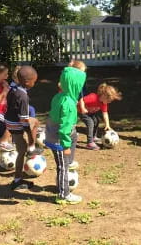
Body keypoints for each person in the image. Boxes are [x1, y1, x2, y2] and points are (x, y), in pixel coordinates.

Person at [44, 66, 87, 204]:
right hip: (59, 141)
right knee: (62, 167)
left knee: (64, 163)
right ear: (74, 86)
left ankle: (64, 180)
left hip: (53, 135)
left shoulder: (59, 96)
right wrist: (65, 146)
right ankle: (63, 195)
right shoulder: (69, 105)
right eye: (79, 85)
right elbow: (64, 129)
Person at [4, 65, 43, 190]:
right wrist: (29, 131)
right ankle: (17, 180)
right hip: (16, 124)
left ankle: (18, 178)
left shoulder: (14, 89)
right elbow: (24, 120)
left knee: (22, 148)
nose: (34, 83)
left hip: (10, 121)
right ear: (27, 82)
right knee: (22, 149)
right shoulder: (23, 97)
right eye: (34, 81)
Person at [78, 83, 122, 150]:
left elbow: (105, 113)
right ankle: (90, 143)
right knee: (90, 123)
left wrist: (107, 125)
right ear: (104, 96)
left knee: (96, 121)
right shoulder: (93, 97)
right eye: (109, 100)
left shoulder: (104, 103)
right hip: (81, 111)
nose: (109, 102)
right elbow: (81, 100)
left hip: (90, 112)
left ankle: (93, 137)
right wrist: (83, 108)